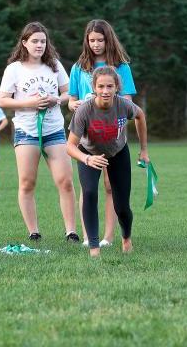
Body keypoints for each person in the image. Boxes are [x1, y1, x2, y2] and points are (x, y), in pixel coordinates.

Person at [0, 22, 79, 242]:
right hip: (26, 132)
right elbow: (3, 100)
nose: (39, 45)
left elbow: (69, 94)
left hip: (54, 130)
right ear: (24, 43)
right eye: (34, 41)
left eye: (43, 41)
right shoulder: (14, 69)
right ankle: (34, 231)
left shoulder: (54, 66)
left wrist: (56, 100)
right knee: (27, 182)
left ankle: (71, 231)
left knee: (65, 181)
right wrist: (30, 102)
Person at [68, 19, 137, 248]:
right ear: (86, 41)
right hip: (88, 136)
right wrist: (78, 104)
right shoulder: (79, 67)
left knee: (111, 186)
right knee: (88, 188)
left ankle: (109, 236)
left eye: (100, 40)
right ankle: (90, 237)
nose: (96, 44)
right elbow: (71, 100)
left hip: (112, 135)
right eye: (92, 40)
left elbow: (128, 102)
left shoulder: (121, 66)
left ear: (108, 40)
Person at [66, 66, 148, 258]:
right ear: (93, 87)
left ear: (116, 87)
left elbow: (140, 115)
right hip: (89, 153)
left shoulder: (123, 105)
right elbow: (70, 146)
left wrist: (144, 150)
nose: (105, 91)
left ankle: (126, 237)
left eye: (109, 86)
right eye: (101, 86)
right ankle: (94, 246)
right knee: (89, 193)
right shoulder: (84, 110)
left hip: (118, 153)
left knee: (122, 206)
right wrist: (87, 158)